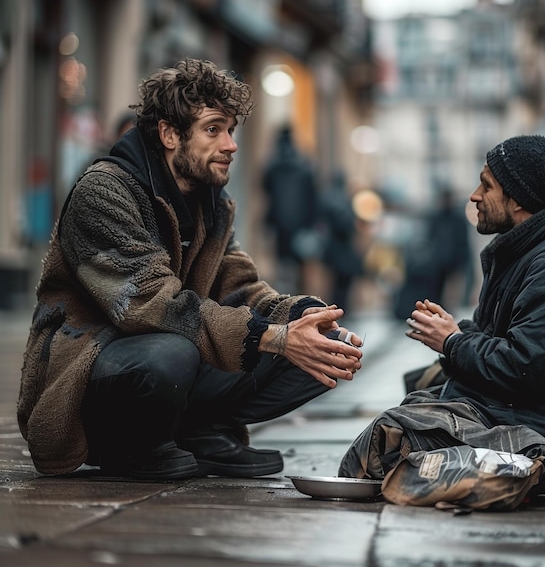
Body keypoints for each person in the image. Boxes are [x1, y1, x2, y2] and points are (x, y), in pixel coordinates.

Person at [17, 58, 363, 482]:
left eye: (231, 131)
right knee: (172, 352)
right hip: (89, 367)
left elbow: (242, 288)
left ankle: (203, 434)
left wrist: (305, 317)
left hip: (168, 351)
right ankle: (130, 446)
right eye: (214, 129)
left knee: (324, 345)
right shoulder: (104, 190)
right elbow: (148, 304)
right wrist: (272, 337)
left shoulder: (210, 203)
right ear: (168, 134)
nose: (231, 145)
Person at [340, 135, 545, 500]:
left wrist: (453, 341)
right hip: (515, 415)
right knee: (419, 388)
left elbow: (527, 368)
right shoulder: (524, 255)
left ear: (516, 199)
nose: (474, 195)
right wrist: (454, 331)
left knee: (386, 438)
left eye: (487, 185)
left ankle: (506, 477)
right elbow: (506, 341)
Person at [262, 125, 319, 294]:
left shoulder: (273, 165)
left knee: (281, 265)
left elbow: (265, 189)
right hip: (300, 224)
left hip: (279, 224)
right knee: (300, 266)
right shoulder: (304, 165)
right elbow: (312, 197)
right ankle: (301, 302)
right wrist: (312, 223)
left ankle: (284, 301)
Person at [318, 170, 363, 311]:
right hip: (342, 250)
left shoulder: (326, 197)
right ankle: (341, 310)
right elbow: (344, 225)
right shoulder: (342, 200)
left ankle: (337, 309)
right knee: (342, 284)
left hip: (331, 249)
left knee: (335, 283)